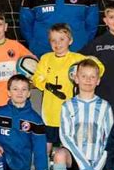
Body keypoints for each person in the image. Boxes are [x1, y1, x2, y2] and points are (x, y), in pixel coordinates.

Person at [49, 58, 114, 170]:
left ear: (98, 81)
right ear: (76, 78)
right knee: (59, 155)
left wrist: (98, 165)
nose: (88, 80)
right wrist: (82, 162)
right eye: (84, 76)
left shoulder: (105, 106)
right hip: (75, 159)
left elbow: (110, 139)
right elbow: (65, 136)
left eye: (92, 77)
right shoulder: (67, 105)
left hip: (94, 163)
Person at [32, 23, 89, 157]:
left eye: (62, 39)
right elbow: (36, 79)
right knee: (46, 144)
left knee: (66, 148)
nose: (57, 44)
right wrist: (46, 85)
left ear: (70, 40)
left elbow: (97, 67)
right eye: (53, 40)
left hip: (70, 114)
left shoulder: (78, 59)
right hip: (50, 113)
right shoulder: (46, 58)